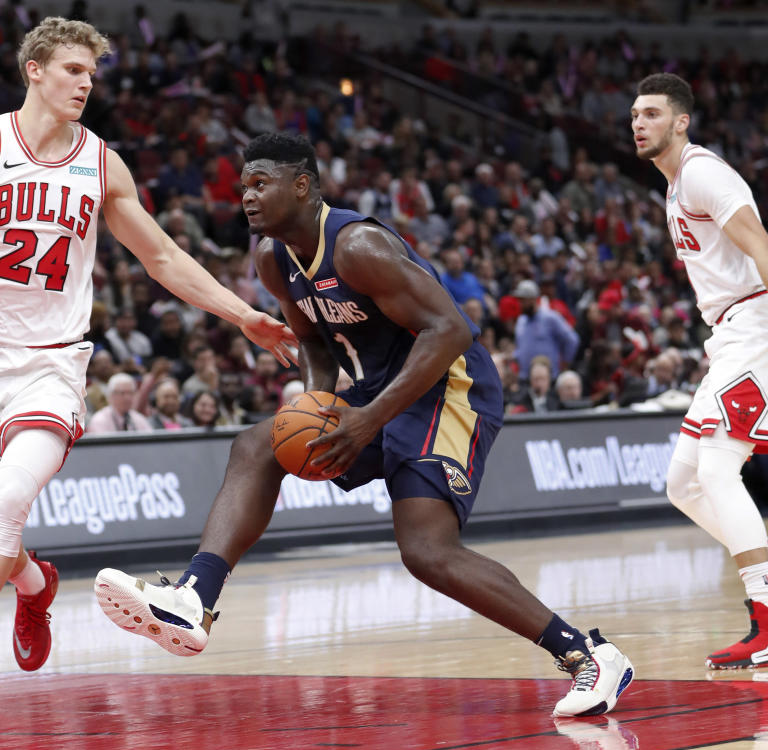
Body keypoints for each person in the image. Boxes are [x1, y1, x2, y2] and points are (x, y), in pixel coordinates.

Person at [95, 132, 634, 719]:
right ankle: (194, 598)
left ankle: (589, 654)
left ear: (301, 186)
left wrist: (364, 421)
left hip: (450, 389)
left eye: (260, 184)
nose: (245, 197)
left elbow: (451, 330)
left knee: (427, 551)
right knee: (259, 443)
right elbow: (315, 348)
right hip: (379, 391)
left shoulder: (359, 245)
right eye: (242, 186)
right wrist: (317, 409)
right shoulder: (273, 259)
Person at [0, 17, 295, 739]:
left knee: (9, 504)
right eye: (74, 70)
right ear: (35, 70)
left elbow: (163, 258)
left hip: (53, 363)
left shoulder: (102, 162)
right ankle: (36, 585)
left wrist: (242, 316)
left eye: (92, 74)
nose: (85, 83)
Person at [631, 73, 768, 670]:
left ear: (681, 121)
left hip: (757, 327)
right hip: (732, 334)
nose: (639, 123)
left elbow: (767, 249)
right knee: (684, 484)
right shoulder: (673, 186)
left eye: (651, 114)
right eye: (635, 115)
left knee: (718, 471)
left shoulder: (701, 173)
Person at [85, 372, 153, 433]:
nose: (127, 398)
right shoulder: (99, 420)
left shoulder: (138, 419)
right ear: (111, 395)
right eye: (122, 393)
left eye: (130, 393)